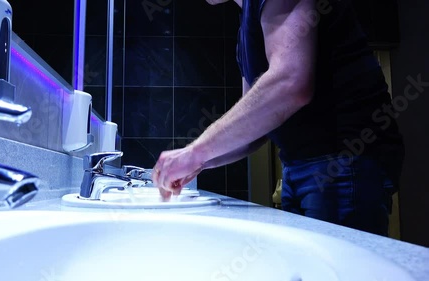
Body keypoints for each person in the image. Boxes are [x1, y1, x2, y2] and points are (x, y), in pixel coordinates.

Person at [152, 0, 404, 237]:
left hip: (342, 159)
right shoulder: (246, 30)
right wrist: (200, 162)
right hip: (302, 165)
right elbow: (256, 126)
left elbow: (290, 82)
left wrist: (195, 152)